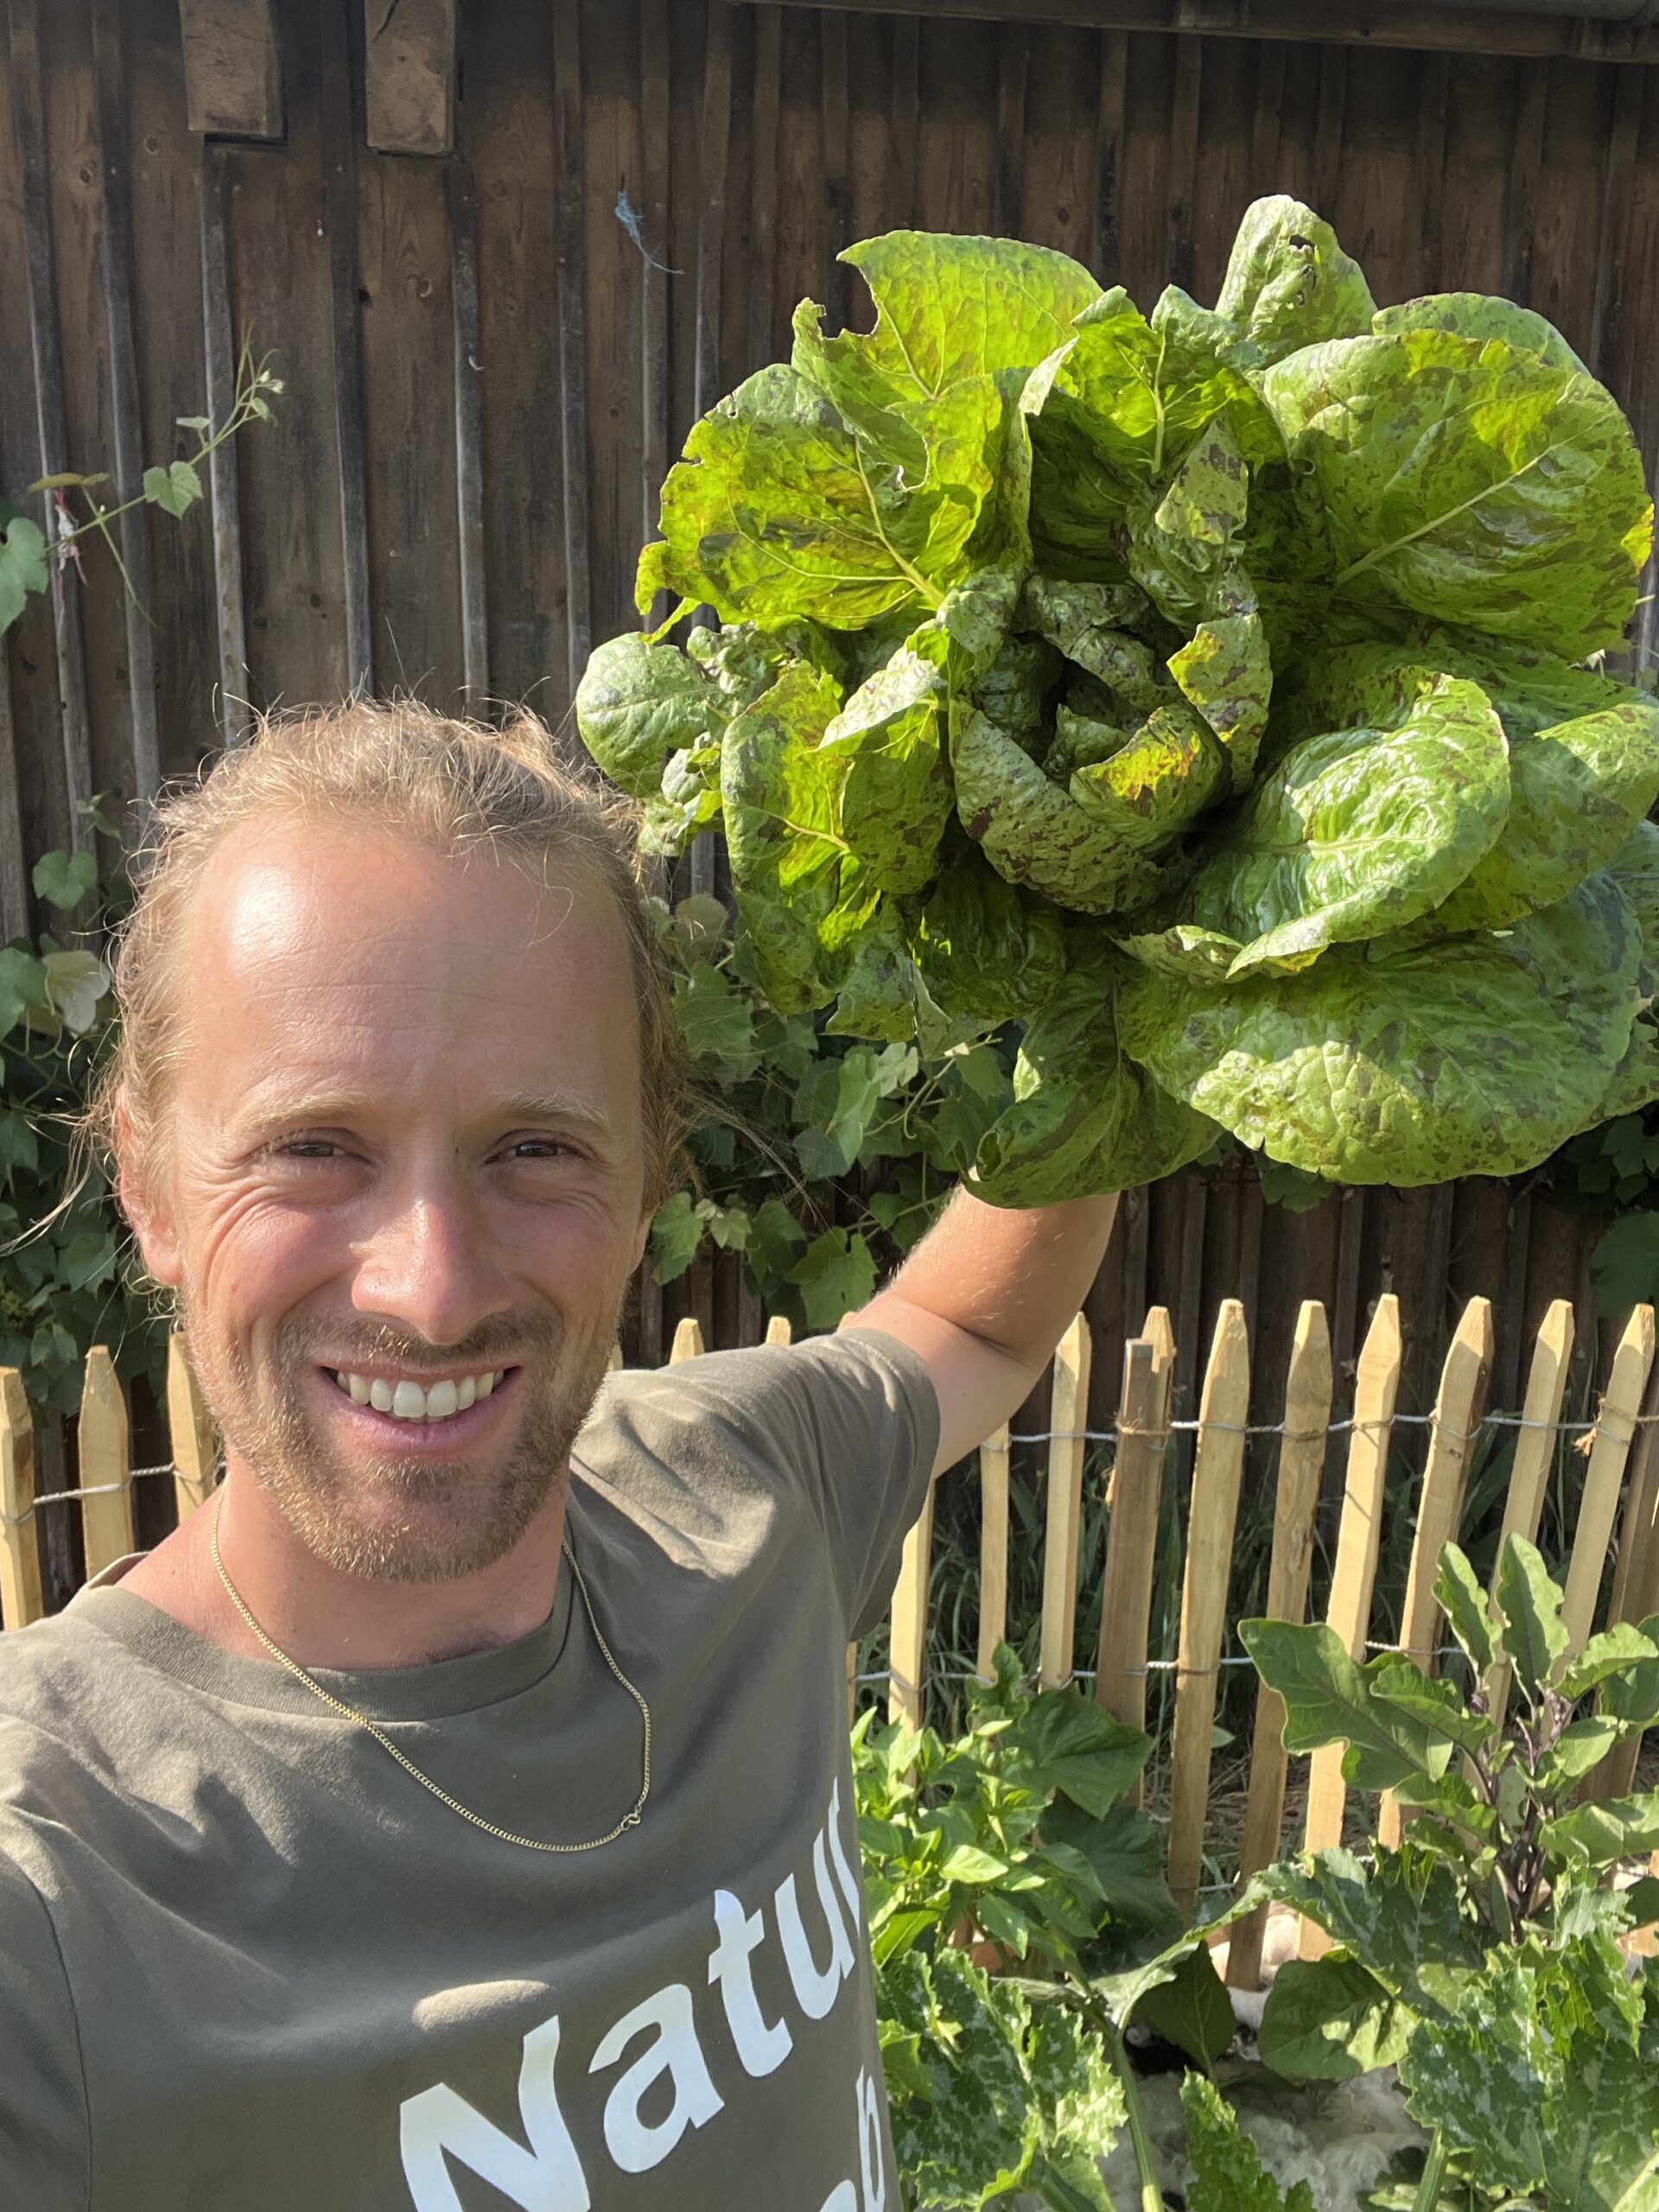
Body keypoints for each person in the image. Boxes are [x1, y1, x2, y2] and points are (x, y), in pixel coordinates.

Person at [0, 702, 1116, 2210]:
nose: (433, 1286)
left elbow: (974, 1333)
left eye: (535, 1150)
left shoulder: (738, 1489)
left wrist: (1125, 988)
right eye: (313, 1148)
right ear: (149, 1188)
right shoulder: (67, 1884)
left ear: (650, 1172)